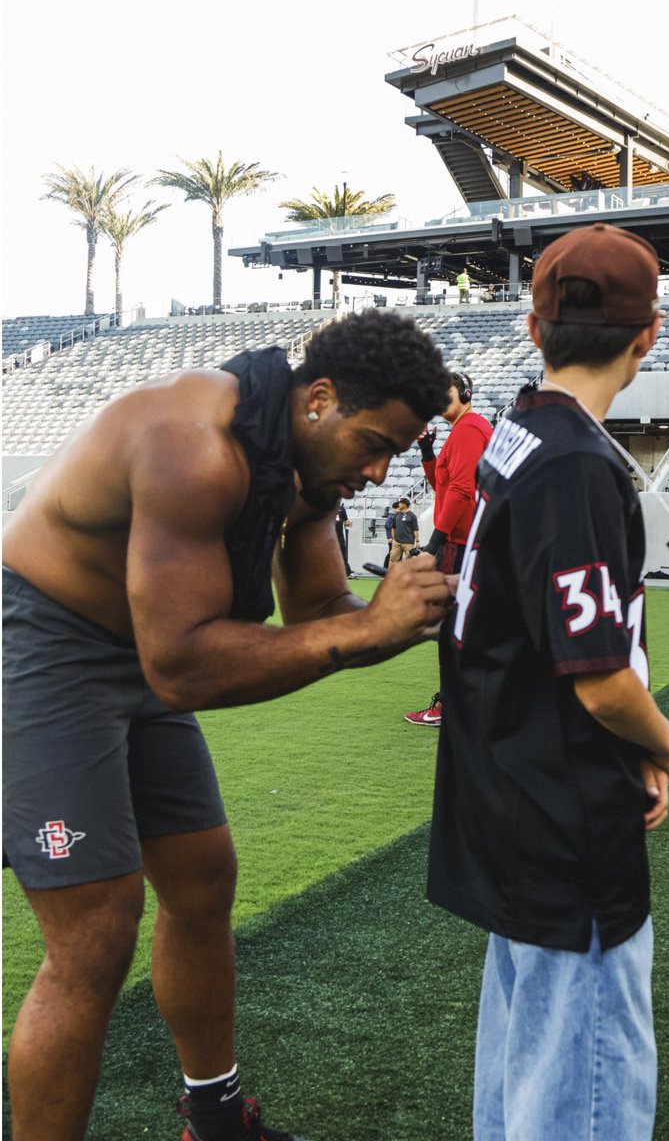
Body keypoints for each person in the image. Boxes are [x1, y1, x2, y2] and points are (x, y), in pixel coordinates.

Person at [2, 309, 453, 1141]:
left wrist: (420, 615)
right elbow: (183, 667)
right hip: (48, 641)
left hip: (146, 649)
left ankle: (215, 1119)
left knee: (203, 881)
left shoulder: (307, 471)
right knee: (95, 934)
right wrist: (359, 631)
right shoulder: (192, 445)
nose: (382, 470)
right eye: (374, 442)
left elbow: (321, 612)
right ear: (319, 399)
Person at [427, 225, 669, 1141]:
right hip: (566, 819)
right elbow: (600, 677)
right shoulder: (577, 463)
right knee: (587, 1086)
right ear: (648, 335)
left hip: (507, 798)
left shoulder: (517, 436)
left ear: (535, 330)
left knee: (525, 1068)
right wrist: (660, 742)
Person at [403, 372, 492, 727]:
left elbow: (460, 492)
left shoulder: (469, 429)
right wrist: (428, 451)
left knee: (451, 627)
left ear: (466, 393)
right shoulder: (466, 430)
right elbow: (442, 486)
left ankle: (451, 704)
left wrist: (432, 545)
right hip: (470, 542)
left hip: (462, 543)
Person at [389, 495, 420, 561]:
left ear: (405, 505)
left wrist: (417, 541)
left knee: (408, 562)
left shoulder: (412, 516)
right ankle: (392, 571)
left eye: (400, 503)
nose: (399, 504)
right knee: (393, 559)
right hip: (397, 542)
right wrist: (394, 539)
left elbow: (415, 530)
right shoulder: (396, 515)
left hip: (408, 543)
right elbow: (393, 527)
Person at [334, 501, 354, 576]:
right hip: (329, 536)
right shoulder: (326, 509)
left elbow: (345, 521)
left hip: (339, 536)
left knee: (343, 554)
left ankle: (347, 572)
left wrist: (348, 523)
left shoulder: (342, 509)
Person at [383, 499, 400, 569]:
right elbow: (387, 527)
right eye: (394, 508)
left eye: (397, 508)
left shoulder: (402, 516)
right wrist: (389, 537)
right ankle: (385, 569)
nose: (395, 510)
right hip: (393, 540)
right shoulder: (391, 517)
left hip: (401, 540)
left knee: (399, 555)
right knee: (391, 554)